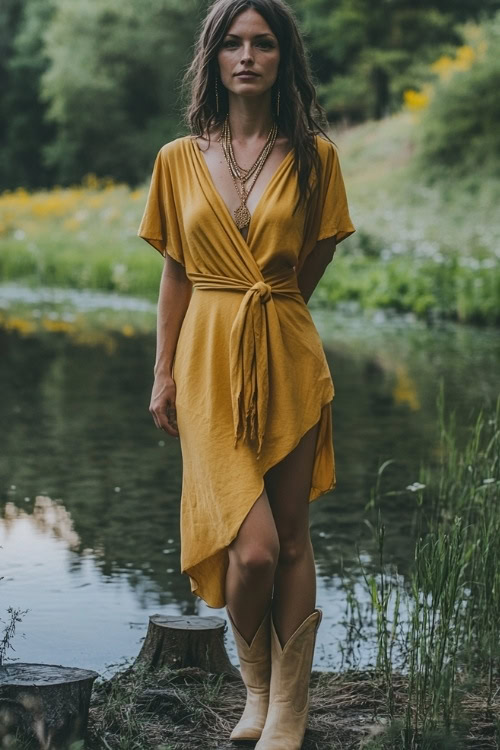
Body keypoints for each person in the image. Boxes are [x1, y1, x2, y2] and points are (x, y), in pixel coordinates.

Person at [137, 0, 356, 746]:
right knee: (251, 547)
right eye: (232, 42)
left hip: (288, 349)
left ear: (282, 57)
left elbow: (315, 257)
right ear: (214, 58)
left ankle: (284, 711)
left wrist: (274, 319)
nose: (247, 55)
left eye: (263, 43)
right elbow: (176, 273)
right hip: (203, 361)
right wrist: (163, 371)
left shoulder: (316, 158)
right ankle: (256, 684)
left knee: (291, 537)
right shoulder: (177, 159)